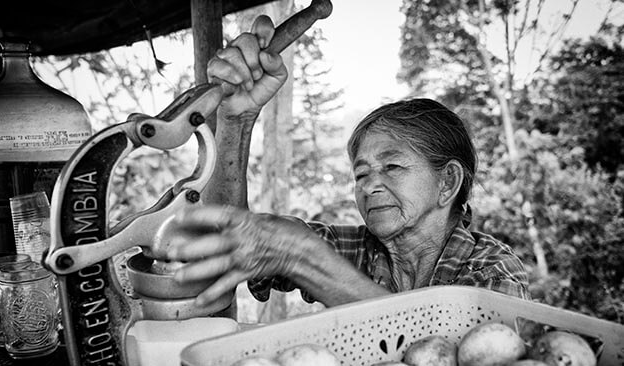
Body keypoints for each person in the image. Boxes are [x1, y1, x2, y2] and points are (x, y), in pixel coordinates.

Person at [164, 15, 530, 309]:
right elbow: (225, 235)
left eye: (392, 167)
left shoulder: (492, 268)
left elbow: (467, 349)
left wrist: (304, 259)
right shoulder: (354, 250)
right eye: (361, 173)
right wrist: (235, 121)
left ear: (447, 182)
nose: (369, 185)